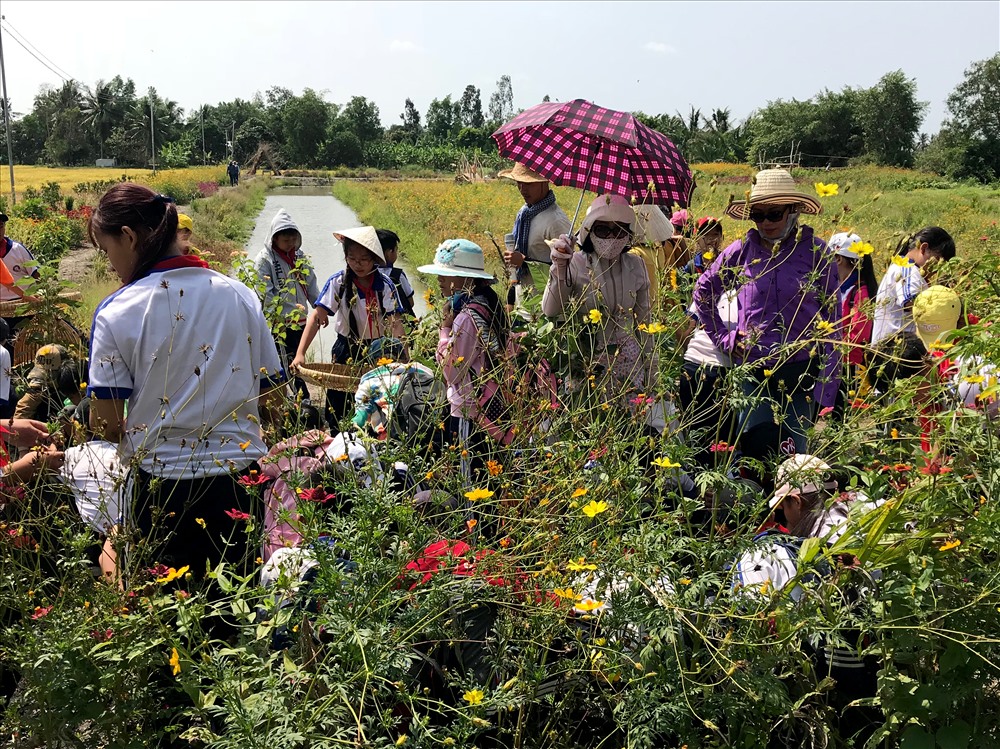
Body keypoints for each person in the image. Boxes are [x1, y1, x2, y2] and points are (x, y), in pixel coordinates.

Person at [86, 183, 285, 587]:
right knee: (235, 608)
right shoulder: (240, 295)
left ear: (128, 237)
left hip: (162, 491)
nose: (111, 265)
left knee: (171, 617)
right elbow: (274, 398)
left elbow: (105, 424)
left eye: (107, 251)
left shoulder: (117, 309)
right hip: (238, 481)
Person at [694, 168, 840, 463]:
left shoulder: (816, 253)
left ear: (794, 210)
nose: (766, 222)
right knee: (755, 455)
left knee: (797, 460)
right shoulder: (741, 252)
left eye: (774, 213)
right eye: (758, 215)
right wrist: (725, 338)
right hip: (753, 373)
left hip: (801, 375)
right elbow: (703, 292)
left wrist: (827, 386)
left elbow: (834, 320)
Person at [291, 226, 405, 427]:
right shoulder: (338, 282)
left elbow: (395, 323)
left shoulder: (385, 285)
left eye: (363, 259)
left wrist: (404, 355)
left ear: (375, 260)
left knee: (374, 403)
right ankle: (337, 439)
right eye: (352, 258)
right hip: (346, 349)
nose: (357, 264)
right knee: (339, 404)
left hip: (377, 350)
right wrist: (300, 353)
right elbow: (317, 316)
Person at [543, 194, 656, 395]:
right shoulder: (575, 264)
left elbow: (644, 321)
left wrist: (652, 369)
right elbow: (551, 310)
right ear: (589, 231)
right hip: (587, 361)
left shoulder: (636, 265)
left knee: (627, 422)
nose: (611, 238)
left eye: (619, 230)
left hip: (629, 362)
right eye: (603, 230)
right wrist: (559, 269)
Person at [417, 239, 510, 476]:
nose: (438, 280)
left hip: (471, 409)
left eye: (445, 274)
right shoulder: (488, 303)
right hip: (491, 402)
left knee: (471, 474)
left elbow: (452, 371)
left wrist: (444, 331)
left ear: (466, 280)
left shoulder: (465, 317)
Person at [254, 208, 318, 400]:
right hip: (280, 323)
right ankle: (301, 396)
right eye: (285, 240)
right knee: (285, 360)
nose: (290, 244)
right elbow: (265, 293)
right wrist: (277, 318)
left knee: (297, 359)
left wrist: (320, 307)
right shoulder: (264, 260)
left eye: (293, 240)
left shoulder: (299, 257)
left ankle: (297, 396)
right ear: (274, 239)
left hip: (301, 321)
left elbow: (311, 283)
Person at [498, 163, 571, 307]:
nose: (522, 189)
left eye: (528, 184)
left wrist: (525, 262)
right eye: (519, 183)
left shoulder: (556, 221)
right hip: (523, 301)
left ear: (544, 182)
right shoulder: (525, 213)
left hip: (545, 306)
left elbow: (567, 269)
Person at [871, 227, 956, 345]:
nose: (938, 270)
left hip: (900, 346)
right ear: (924, 248)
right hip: (893, 348)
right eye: (938, 261)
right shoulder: (907, 269)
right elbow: (911, 302)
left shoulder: (911, 269)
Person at [829, 232, 876, 371]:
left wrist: (831, 345)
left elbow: (859, 335)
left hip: (850, 366)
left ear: (838, 259)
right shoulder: (837, 288)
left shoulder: (861, 293)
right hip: (834, 360)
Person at [377, 229, 416, 318]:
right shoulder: (398, 275)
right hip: (396, 323)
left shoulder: (366, 274)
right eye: (396, 250)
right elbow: (410, 302)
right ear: (390, 252)